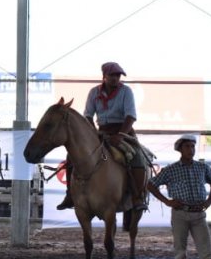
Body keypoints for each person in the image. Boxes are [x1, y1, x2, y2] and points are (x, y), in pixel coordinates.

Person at [57, 61, 148, 210]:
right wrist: (93, 134)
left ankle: (138, 197)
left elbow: (130, 116)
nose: (116, 78)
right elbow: (88, 116)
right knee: (71, 157)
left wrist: (120, 135)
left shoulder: (126, 91)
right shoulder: (94, 92)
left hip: (123, 131)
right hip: (101, 132)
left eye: (118, 75)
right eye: (112, 75)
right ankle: (70, 195)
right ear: (104, 76)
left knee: (137, 156)